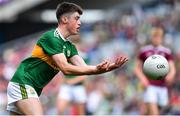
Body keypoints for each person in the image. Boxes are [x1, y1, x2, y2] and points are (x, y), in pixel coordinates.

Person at [6, 2, 128, 115]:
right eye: (76, 18)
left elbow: (84, 68)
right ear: (64, 19)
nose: (80, 23)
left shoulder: (69, 47)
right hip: (23, 82)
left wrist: (106, 68)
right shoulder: (51, 38)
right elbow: (65, 68)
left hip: (32, 87)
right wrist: (95, 69)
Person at [134, 27, 176, 115]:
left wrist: (170, 75)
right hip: (150, 86)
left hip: (162, 86)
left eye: (159, 37)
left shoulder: (166, 52)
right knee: (154, 114)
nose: (156, 39)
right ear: (152, 37)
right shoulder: (144, 51)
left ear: (161, 38)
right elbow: (137, 68)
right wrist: (143, 79)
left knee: (149, 112)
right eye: (155, 37)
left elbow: (172, 68)